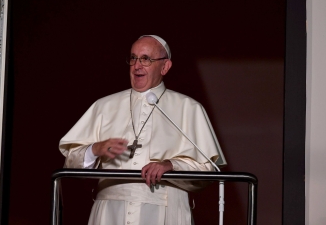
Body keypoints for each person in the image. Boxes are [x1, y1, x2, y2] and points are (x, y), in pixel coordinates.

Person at [59, 35, 226, 225]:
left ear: (165, 67)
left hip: (165, 211)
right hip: (109, 212)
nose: (137, 65)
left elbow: (208, 170)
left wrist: (171, 166)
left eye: (145, 59)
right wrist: (94, 150)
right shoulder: (103, 106)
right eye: (133, 58)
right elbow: (70, 162)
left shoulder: (189, 108)